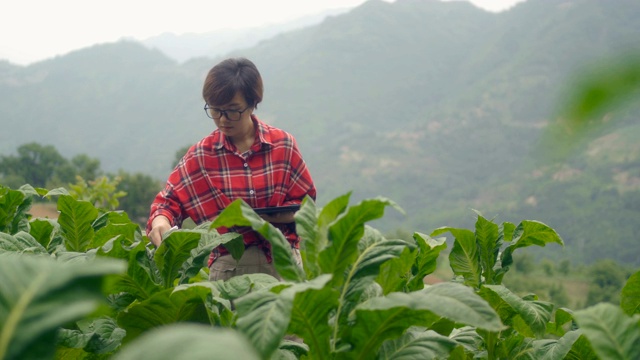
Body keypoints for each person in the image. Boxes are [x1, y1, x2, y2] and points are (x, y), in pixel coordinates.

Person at [146, 57, 316, 281]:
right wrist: (161, 221)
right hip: (231, 272)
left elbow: (306, 205)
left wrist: (276, 216)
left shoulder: (282, 145)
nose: (222, 120)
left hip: (282, 264)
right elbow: (167, 202)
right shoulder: (201, 156)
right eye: (215, 110)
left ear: (252, 103)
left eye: (232, 111)